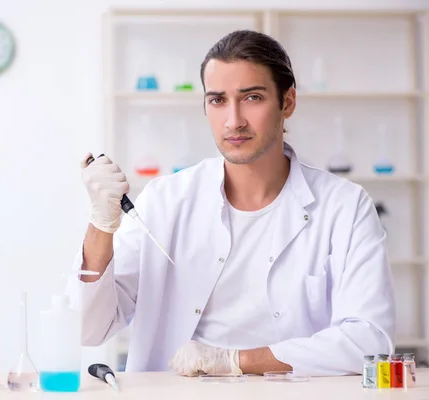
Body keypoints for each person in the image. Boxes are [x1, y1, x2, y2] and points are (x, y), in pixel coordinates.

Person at [68, 29, 395, 377]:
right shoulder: (166, 201)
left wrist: (234, 361)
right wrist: (101, 225)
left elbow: (369, 340)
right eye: (217, 100)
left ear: (287, 102)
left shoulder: (344, 206)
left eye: (252, 97)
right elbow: (89, 328)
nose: (233, 120)